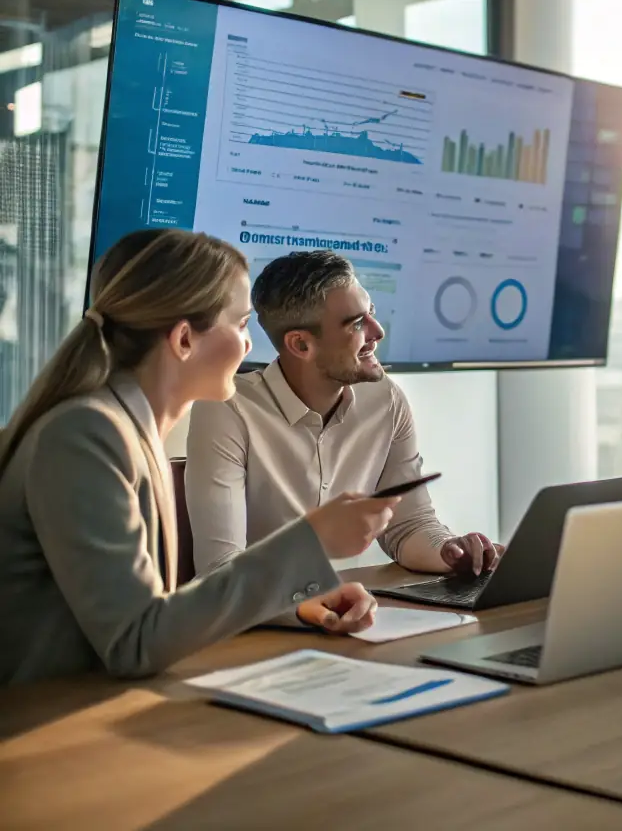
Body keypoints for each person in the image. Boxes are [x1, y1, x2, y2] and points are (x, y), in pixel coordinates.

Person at [0, 229, 397, 686]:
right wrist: (310, 540)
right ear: (184, 340)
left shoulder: (123, 427)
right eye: (243, 324)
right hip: (41, 724)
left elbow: (153, 618)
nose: (250, 346)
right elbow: (136, 641)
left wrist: (295, 604)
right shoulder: (87, 435)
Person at [186, 250, 502, 579]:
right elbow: (220, 570)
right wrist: (314, 607)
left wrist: (451, 552)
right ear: (301, 345)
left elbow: (410, 526)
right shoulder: (227, 408)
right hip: (270, 619)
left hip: (367, 607)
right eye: (356, 324)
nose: (378, 332)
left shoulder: (386, 400)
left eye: (372, 313)